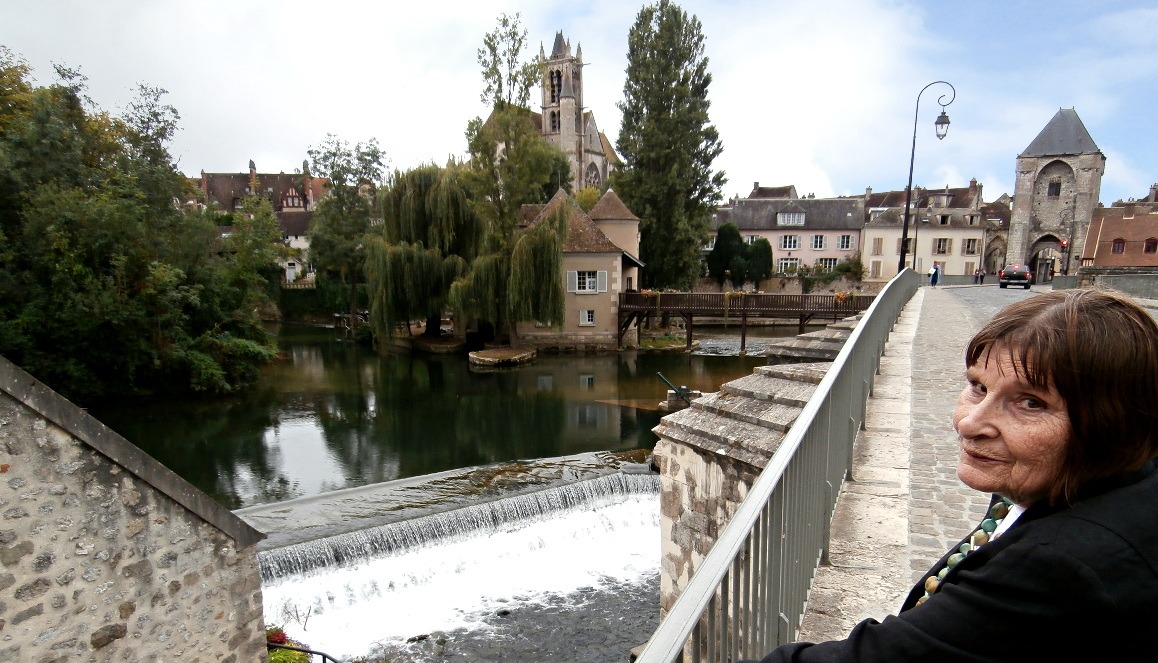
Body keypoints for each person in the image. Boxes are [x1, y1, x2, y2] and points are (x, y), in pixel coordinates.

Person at [744, 289, 1158, 662]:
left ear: (1114, 424)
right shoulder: (1090, 482)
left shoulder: (1061, 567)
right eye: (978, 386)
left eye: (1031, 403)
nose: (970, 423)